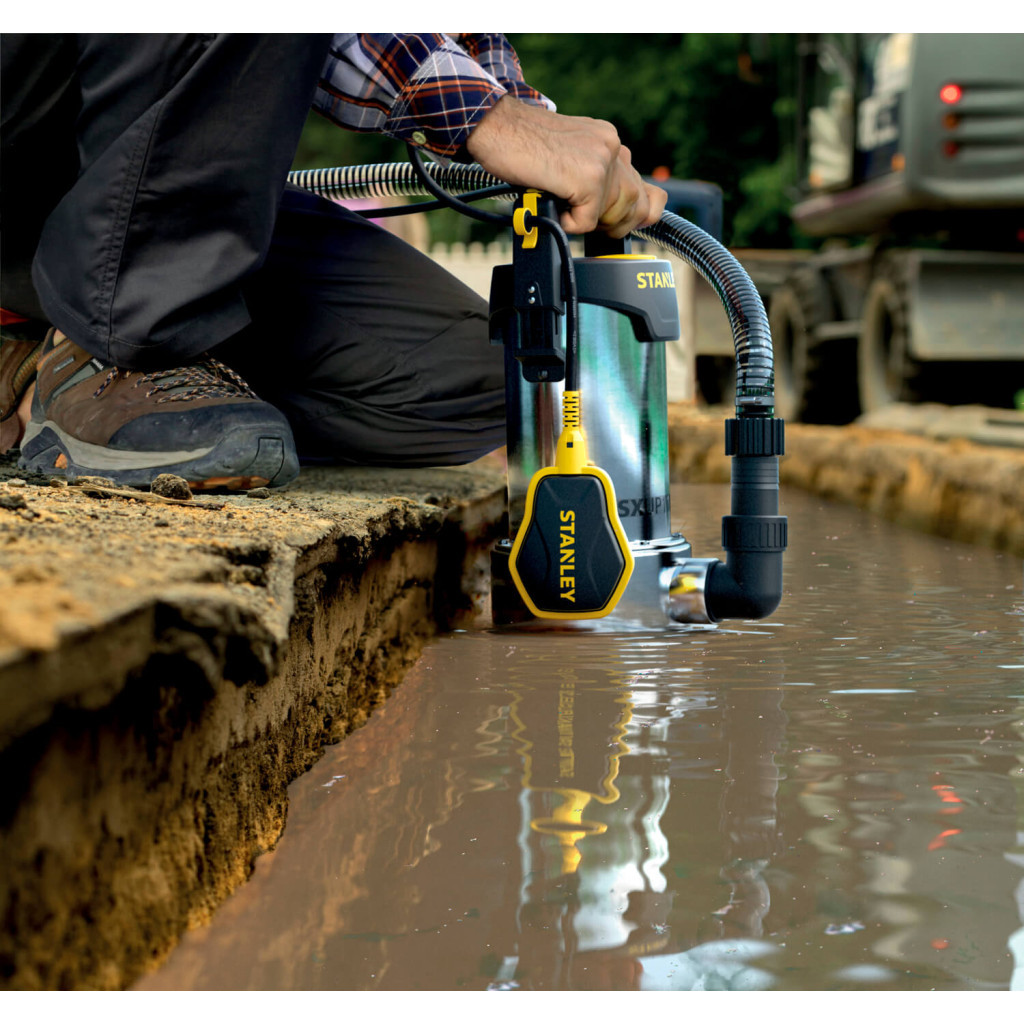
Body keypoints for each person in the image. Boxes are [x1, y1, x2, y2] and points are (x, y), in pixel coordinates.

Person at [0, 34, 666, 490]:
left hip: (122, 186)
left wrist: (538, 132)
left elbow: (470, 36)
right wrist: (490, 121)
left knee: (482, 382)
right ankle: (118, 349)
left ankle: (30, 343)